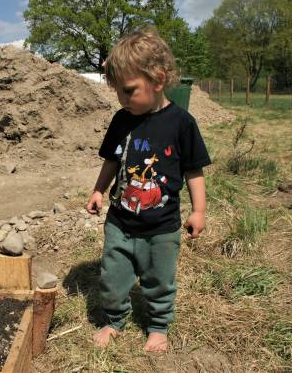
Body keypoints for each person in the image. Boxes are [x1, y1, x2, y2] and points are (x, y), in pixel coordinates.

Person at [86, 30, 211, 352]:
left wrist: (199, 211)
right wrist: (99, 190)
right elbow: (112, 161)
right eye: (118, 92)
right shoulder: (121, 120)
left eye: (129, 91)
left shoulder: (181, 123)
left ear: (157, 80)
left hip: (162, 226)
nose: (122, 100)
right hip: (120, 222)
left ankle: (157, 326)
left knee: (159, 281)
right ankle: (114, 319)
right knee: (112, 278)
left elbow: (193, 170)